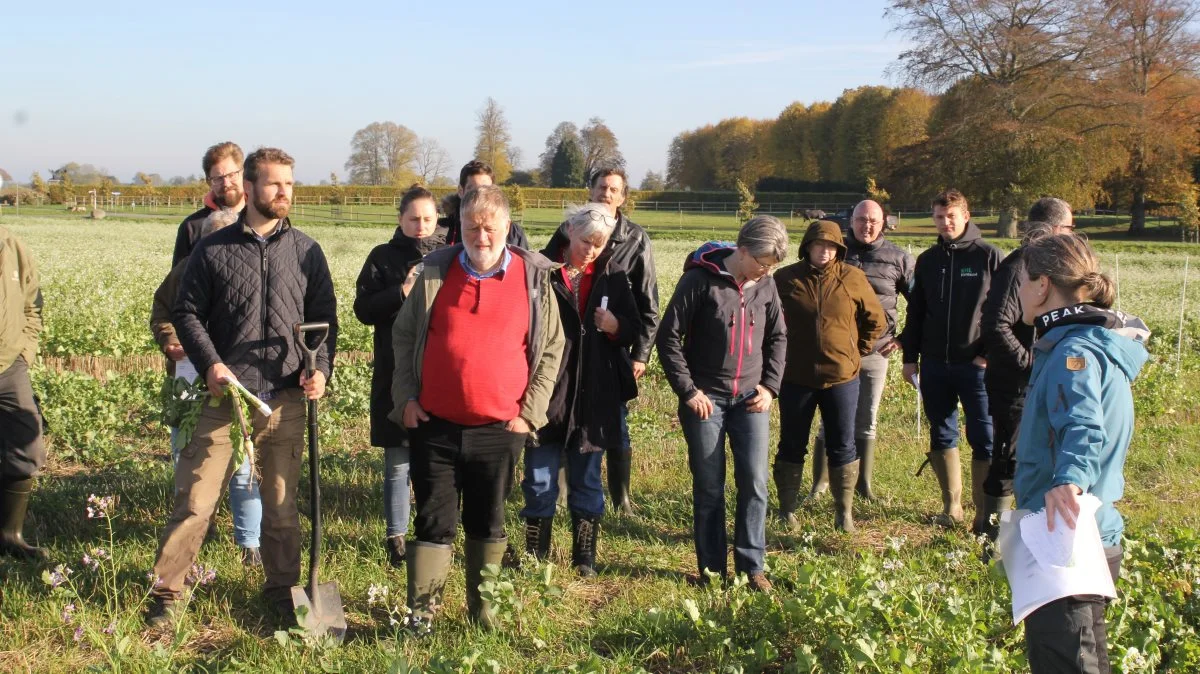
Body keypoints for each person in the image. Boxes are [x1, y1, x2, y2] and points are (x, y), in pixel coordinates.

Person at [146, 148, 338, 627]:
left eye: (289, 184)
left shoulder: (308, 251)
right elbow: (185, 312)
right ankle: (168, 593)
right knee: (194, 502)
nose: (283, 193)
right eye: (274, 184)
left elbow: (325, 323)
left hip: (285, 399)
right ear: (249, 189)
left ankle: (283, 591)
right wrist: (210, 364)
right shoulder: (213, 249)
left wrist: (321, 370)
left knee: (280, 507)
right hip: (223, 396)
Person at [391, 185, 564, 631]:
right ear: (460, 228)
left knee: (488, 518)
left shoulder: (533, 279)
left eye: (490, 227)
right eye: (472, 227)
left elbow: (551, 349)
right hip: (435, 424)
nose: (481, 236)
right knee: (433, 519)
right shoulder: (434, 273)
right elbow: (404, 336)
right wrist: (406, 398)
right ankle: (422, 617)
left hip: (501, 428)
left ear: (507, 227)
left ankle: (483, 615)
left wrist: (529, 414)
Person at [1013, 233, 1148, 673]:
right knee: (1083, 657)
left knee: (1069, 661)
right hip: (1079, 532)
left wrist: (1067, 482)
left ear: (1042, 284)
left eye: (1021, 281)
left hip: (1068, 535)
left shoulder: (1075, 352)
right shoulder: (1080, 343)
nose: (1017, 292)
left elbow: (1084, 426)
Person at [656, 215, 787, 591]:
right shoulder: (699, 281)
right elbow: (668, 339)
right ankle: (712, 570)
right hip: (706, 400)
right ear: (741, 250)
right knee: (710, 486)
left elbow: (778, 337)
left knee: (755, 482)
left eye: (771, 266)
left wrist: (770, 387)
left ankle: (752, 567)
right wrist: (689, 391)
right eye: (761, 262)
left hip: (751, 399)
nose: (765, 270)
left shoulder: (766, 285)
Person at [520, 203, 638, 576]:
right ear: (570, 230)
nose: (591, 250)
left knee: (587, 478)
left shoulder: (614, 276)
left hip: (594, 394)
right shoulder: (539, 271)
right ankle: (534, 556)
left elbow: (634, 328)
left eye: (599, 245)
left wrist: (616, 324)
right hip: (547, 391)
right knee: (539, 479)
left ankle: (584, 556)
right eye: (586, 241)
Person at [151, 208, 264, 568]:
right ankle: (202, 524)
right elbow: (163, 314)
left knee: (243, 461)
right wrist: (170, 341)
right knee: (187, 454)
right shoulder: (184, 271)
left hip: (237, 378)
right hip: (187, 375)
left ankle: (250, 542)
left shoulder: (255, 270)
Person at [544, 166, 659, 515]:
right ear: (591, 191)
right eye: (601, 187)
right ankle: (563, 496)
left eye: (614, 189)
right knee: (563, 418)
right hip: (566, 348)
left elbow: (648, 302)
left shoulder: (636, 239)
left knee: (615, 424)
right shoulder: (567, 232)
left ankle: (621, 499)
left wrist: (640, 352)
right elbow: (548, 273)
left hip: (610, 348)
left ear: (623, 197)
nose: (607, 194)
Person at [353, 184, 448, 569]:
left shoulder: (450, 257)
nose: (421, 226)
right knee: (397, 459)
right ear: (400, 219)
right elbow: (363, 309)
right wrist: (402, 290)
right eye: (413, 219)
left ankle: (432, 535)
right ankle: (395, 536)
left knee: (435, 460)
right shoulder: (382, 257)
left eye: (427, 219)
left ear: (437, 219)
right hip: (395, 370)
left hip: (440, 373)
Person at [773, 220, 885, 532]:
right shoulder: (785, 278)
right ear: (807, 246)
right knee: (791, 443)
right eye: (819, 244)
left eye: (832, 246)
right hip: (796, 377)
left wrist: (855, 350)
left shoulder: (853, 277)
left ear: (839, 249)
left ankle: (843, 513)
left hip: (842, 377)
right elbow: (769, 321)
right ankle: (787, 510)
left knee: (843, 444)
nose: (825, 251)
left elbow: (875, 319)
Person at [900, 189, 1002, 528]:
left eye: (951, 216)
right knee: (941, 432)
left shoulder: (989, 258)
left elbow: (1005, 312)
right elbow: (915, 313)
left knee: (984, 437)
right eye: (940, 217)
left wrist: (986, 356)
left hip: (975, 366)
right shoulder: (928, 261)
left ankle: (983, 514)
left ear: (966, 216)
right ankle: (951, 508)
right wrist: (910, 358)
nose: (945, 223)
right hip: (933, 365)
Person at [979, 198, 1075, 540]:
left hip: (1036, 383)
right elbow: (995, 324)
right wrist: (1030, 363)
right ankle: (994, 542)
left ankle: (1027, 536)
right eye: (1068, 229)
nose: (1070, 236)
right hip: (1016, 385)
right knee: (1008, 459)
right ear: (1051, 229)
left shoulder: (1044, 267)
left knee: (1031, 459)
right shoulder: (1018, 266)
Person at [807, 200, 913, 502]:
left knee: (866, 419)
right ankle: (820, 484)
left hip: (876, 352)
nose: (867, 225)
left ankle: (862, 486)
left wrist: (905, 338)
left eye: (873, 220)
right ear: (850, 221)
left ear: (884, 223)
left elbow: (920, 302)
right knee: (830, 418)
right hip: (835, 353)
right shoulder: (837, 252)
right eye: (861, 219)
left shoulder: (898, 258)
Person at [0, 224, 47, 560]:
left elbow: (33, 304)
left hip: (8, 363)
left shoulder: (12, 246)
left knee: (27, 444)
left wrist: (24, 351)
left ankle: (10, 535)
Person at [172, 142, 246, 265]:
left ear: (243, 173)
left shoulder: (262, 221)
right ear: (208, 182)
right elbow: (179, 279)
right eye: (218, 178)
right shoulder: (191, 227)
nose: (226, 183)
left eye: (232, 175)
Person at [440, 160, 529, 249]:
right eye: (472, 191)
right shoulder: (443, 229)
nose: (479, 195)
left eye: (486, 189)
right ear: (460, 191)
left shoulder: (513, 233)